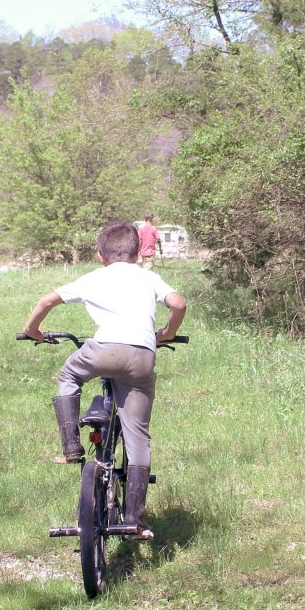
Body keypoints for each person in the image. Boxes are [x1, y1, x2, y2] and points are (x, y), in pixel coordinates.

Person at [22, 222, 187, 538]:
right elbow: (178, 304)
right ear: (138, 253)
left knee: (70, 374)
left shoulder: (93, 277)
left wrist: (33, 331)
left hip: (102, 351)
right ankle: (134, 519)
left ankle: (71, 447)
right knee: (137, 435)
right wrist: (167, 334)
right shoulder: (148, 276)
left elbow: (46, 301)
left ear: (100, 255)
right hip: (141, 356)